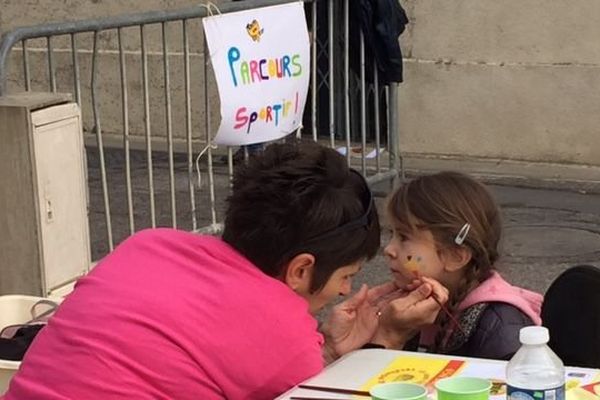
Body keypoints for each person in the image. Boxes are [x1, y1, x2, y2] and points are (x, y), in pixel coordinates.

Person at [4, 141, 447, 400]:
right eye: (346, 276)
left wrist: (328, 351)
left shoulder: (147, 244)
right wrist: (386, 340)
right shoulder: (280, 334)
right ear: (301, 269)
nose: (344, 290)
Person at [383, 171, 543, 360]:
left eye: (404, 237)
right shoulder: (417, 305)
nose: (388, 249)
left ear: (455, 256)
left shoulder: (500, 327)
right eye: (390, 234)